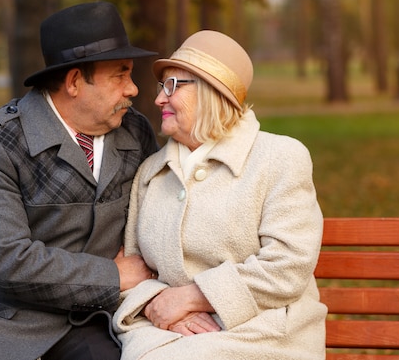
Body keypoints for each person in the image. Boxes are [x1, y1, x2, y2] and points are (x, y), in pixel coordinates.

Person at [0, 1, 160, 360]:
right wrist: (113, 277)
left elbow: (160, 217)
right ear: (74, 82)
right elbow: (11, 264)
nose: (132, 89)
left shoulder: (134, 132)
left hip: (84, 320)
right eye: (120, 74)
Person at [112, 30, 327, 360]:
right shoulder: (152, 172)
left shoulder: (280, 158)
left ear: (211, 91)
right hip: (163, 335)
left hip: (261, 335)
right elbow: (134, 271)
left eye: (172, 86)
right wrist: (157, 302)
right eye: (161, 87)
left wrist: (192, 297)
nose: (158, 100)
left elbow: (287, 266)